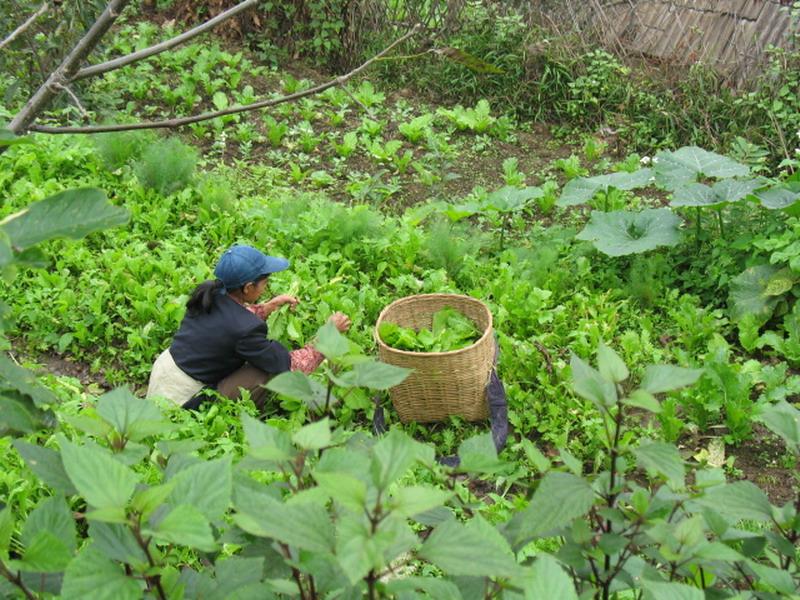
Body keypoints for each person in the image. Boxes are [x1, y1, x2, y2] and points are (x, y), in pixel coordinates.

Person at [147, 244, 351, 409]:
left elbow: (228, 323)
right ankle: (217, 413)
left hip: (165, 375)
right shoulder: (246, 330)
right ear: (247, 287)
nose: (267, 286)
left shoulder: (209, 294)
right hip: (180, 401)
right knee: (264, 371)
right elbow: (289, 366)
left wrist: (267, 308)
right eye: (264, 282)